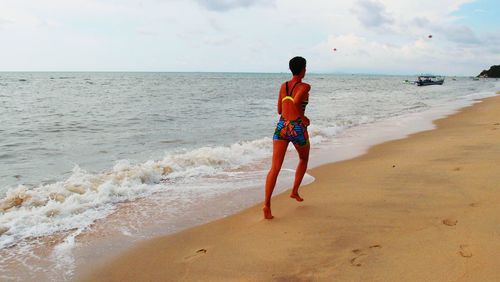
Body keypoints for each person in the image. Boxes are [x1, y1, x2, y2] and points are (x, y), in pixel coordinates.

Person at [263, 56, 311, 219]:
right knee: (303, 159)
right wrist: (302, 118)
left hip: (281, 127)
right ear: (303, 69)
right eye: (306, 67)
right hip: (297, 127)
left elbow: (279, 109)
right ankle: (294, 191)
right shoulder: (305, 86)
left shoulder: (283, 86)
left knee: (274, 168)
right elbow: (297, 102)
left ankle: (267, 205)